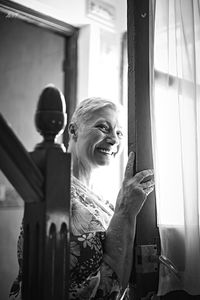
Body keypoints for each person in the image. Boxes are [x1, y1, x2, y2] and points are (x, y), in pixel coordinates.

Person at [10, 97, 154, 300]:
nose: (114, 139)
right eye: (103, 128)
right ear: (73, 130)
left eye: (119, 132)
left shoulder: (99, 198)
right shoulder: (58, 195)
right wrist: (125, 210)